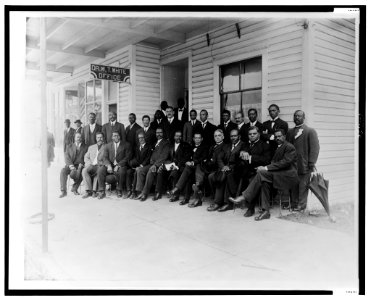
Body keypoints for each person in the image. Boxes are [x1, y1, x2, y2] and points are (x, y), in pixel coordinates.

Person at [229, 129, 299, 221]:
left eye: (280, 136)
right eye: (276, 136)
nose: (277, 138)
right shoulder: (278, 146)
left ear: (284, 137)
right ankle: (266, 211)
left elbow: (284, 163)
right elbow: (273, 162)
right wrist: (264, 167)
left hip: (288, 176)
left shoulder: (289, 147)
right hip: (278, 174)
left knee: (261, 173)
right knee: (264, 181)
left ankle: (244, 196)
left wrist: (265, 168)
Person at [230, 126, 271, 216]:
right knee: (231, 175)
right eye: (250, 134)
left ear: (259, 134)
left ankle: (250, 208)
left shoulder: (265, 145)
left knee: (251, 180)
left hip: (256, 171)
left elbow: (266, 160)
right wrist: (241, 153)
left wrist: (251, 157)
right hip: (243, 171)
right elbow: (236, 156)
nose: (252, 136)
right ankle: (232, 202)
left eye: (254, 134)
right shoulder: (245, 145)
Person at [286, 110, 320, 211]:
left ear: (303, 118)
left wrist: (311, 162)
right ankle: (293, 204)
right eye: (295, 116)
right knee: (293, 185)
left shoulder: (310, 131)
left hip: (304, 164)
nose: (297, 118)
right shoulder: (290, 132)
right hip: (292, 164)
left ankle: (301, 205)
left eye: (299, 116)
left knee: (303, 186)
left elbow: (315, 148)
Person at [207, 129, 243, 212]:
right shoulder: (227, 146)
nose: (233, 138)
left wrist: (230, 167)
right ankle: (218, 199)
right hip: (226, 169)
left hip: (237, 171)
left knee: (224, 176)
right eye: (231, 136)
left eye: (235, 136)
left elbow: (241, 162)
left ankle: (222, 203)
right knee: (212, 176)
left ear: (239, 136)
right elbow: (219, 158)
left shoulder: (243, 145)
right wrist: (223, 167)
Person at [169, 132, 208, 207]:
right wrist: (186, 162)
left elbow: (203, 158)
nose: (197, 139)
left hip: (199, 168)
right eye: (195, 138)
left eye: (199, 138)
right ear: (193, 139)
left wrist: (193, 162)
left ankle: (177, 188)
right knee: (185, 174)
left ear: (202, 139)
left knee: (187, 170)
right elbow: (186, 156)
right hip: (190, 169)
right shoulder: (190, 146)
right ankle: (185, 198)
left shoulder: (204, 147)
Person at [193, 129, 227, 210]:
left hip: (217, 168)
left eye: (219, 135)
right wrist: (207, 161)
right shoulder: (212, 146)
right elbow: (207, 157)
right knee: (199, 166)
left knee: (211, 175)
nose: (217, 137)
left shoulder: (225, 146)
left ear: (223, 136)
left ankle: (199, 189)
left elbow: (220, 159)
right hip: (209, 166)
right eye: (215, 136)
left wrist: (209, 161)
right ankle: (198, 185)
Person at [134, 127, 170, 201]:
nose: (158, 134)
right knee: (140, 170)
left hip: (159, 165)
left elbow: (164, 156)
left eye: (160, 132)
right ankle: (140, 191)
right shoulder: (155, 143)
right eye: (157, 133)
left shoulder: (166, 143)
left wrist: (155, 165)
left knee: (151, 171)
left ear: (163, 134)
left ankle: (145, 193)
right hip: (151, 164)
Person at [156, 130, 192, 202]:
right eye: (176, 136)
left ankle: (175, 195)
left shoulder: (186, 145)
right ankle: (158, 192)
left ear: (182, 137)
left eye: (180, 136)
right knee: (160, 170)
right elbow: (167, 157)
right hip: (171, 165)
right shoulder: (170, 145)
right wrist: (166, 165)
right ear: (174, 136)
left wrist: (177, 166)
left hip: (180, 166)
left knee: (175, 172)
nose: (178, 137)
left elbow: (186, 158)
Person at [99, 131, 133, 198]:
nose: (116, 137)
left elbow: (128, 157)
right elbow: (105, 157)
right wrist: (108, 165)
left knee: (121, 170)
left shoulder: (126, 145)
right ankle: (102, 190)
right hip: (110, 164)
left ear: (120, 136)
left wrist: (118, 165)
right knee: (101, 170)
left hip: (121, 164)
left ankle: (119, 189)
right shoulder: (107, 146)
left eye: (117, 135)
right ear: (112, 137)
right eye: (114, 136)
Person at [59, 132, 88, 198]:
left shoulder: (85, 147)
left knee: (82, 171)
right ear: (74, 138)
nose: (79, 138)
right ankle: (63, 191)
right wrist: (70, 165)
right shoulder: (69, 146)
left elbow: (87, 157)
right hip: (71, 165)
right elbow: (66, 157)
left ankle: (74, 188)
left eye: (80, 137)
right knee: (63, 171)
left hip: (80, 165)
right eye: (77, 137)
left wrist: (82, 164)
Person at [127, 132, 152, 199]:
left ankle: (138, 192)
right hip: (139, 165)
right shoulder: (137, 146)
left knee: (138, 171)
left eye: (142, 137)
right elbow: (136, 158)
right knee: (133, 172)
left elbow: (148, 158)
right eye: (139, 138)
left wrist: (141, 165)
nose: (141, 139)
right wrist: (134, 164)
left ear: (145, 138)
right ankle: (133, 192)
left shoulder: (149, 147)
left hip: (146, 165)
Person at [81, 132, 106, 198]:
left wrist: (102, 164)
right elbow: (86, 157)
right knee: (84, 170)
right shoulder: (91, 147)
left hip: (100, 166)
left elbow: (108, 158)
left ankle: (94, 191)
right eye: (98, 137)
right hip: (91, 165)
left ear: (103, 138)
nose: (99, 139)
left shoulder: (106, 147)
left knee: (99, 171)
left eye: (101, 137)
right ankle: (88, 191)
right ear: (96, 138)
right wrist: (89, 164)